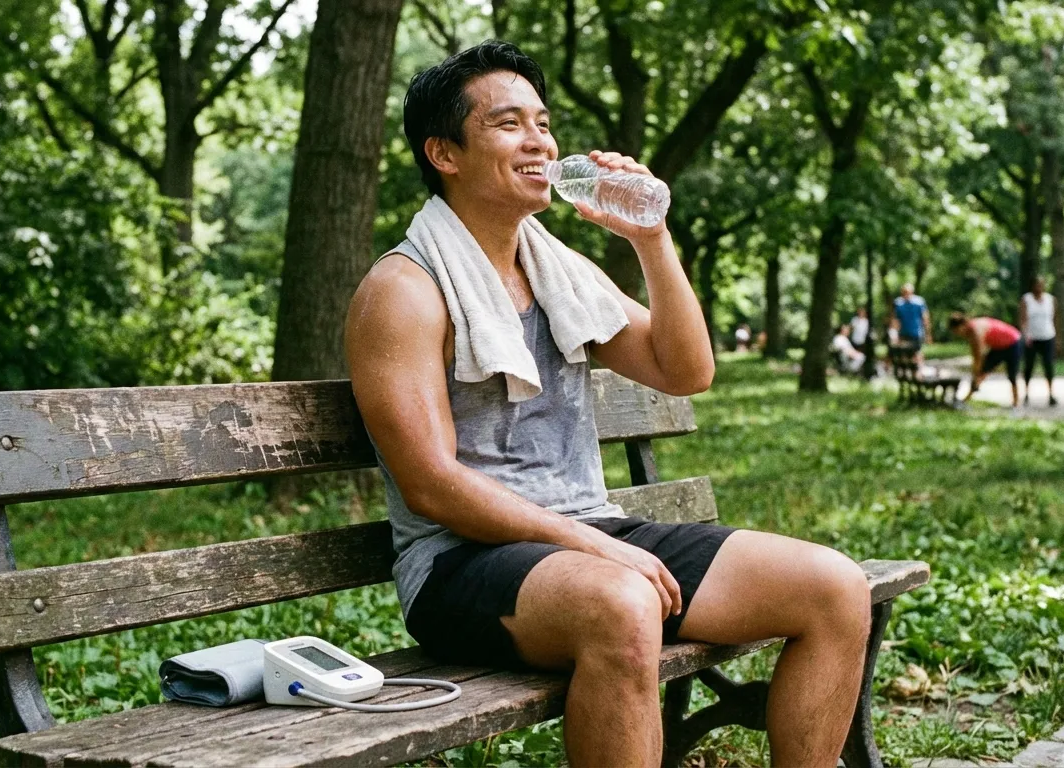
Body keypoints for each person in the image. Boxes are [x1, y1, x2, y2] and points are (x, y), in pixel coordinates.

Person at [345, 42, 871, 768]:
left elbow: (685, 370)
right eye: (508, 124)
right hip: (459, 566)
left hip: (588, 539)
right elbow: (432, 485)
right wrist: (594, 545)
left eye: (544, 122)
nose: (540, 141)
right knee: (625, 603)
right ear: (444, 153)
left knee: (836, 589)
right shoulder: (405, 290)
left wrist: (651, 240)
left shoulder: (556, 268)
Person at [949, 312, 1023, 407]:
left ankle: (1016, 404)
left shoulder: (974, 331)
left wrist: (976, 371)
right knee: (982, 372)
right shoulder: (972, 328)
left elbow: (978, 357)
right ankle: (965, 400)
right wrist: (977, 371)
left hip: (1014, 342)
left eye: (956, 331)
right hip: (999, 347)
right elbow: (978, 355)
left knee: (1012, 374)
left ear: (961, 325)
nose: (957, 334)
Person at [1019, 277, 1058, 406]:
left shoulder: (1050, 299)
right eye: (1036, 285)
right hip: (1032, 338)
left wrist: (1058, 338)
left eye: (1041, 285)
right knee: (1029, 366)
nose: (1039, 287)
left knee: (1048, 365)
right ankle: (1026, 393)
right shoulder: (1026, 299)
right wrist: (1025, 335)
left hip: (1048, 336)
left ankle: (1051, 394)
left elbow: (1054, 319)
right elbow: (1023, 319)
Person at [890, 284, 931, 357]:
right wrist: (894, 333)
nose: (906, 294)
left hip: (916, 333)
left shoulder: (919, 302)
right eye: (904, 292)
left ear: (912, 292)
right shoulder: (898, 303)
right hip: (903, 333)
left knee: (917, 352)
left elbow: (925, 318)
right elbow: (895, 320)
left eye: (908, 292)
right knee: (903, 354)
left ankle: (919, 367)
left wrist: (928, 333)